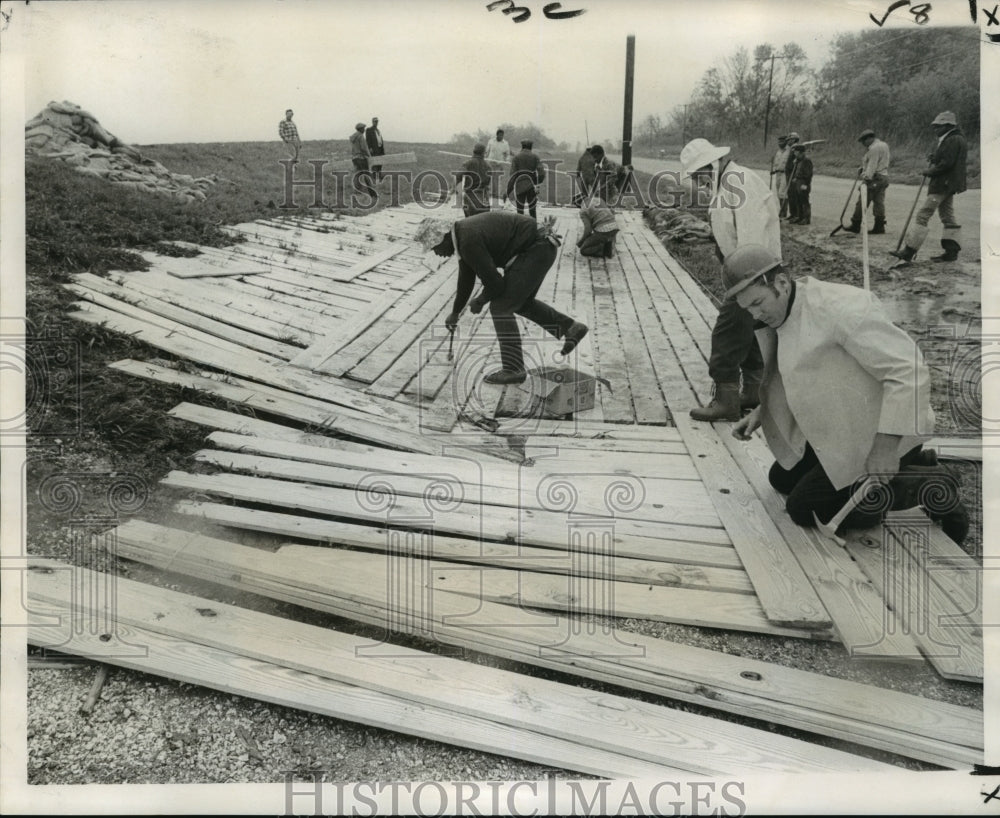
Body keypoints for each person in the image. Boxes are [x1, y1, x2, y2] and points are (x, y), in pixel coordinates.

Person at [728, 244, 968, 542]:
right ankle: (920, 463)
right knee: (782, 477)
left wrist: (885, 446)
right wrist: (762, 412)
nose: (756, 314)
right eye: (748, 308)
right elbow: (802, 375)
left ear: (780, 282)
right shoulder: (784, 311)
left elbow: (909, 370)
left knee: (804, 508)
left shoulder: (840, 309)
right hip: (844, 427)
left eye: (758, 302)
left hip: (881, 436)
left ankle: (932, 484)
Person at [416, 213, 588, 385]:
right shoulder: (463, 235)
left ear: (443, 238)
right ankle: (570, 328)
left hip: (535, 250)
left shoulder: (467, 240)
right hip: (541, 248)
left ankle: (514, 369)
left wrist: (480, 301)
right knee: (520, 303)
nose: (437, 253)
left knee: (501, 308)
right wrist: (455, 312)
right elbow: (466, 276)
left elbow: (495, 283)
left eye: (434, 247)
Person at [680, 137, 780, 423]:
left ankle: (725, 401)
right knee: (747, 335)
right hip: (745, 271)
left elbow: (751, 240)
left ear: (713, 163)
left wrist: (744, 285)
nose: (699, 182)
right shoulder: (725, 183)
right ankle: (752, 392)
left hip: (753, 273)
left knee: (726, 335)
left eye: (700, 174)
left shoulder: (740, 183)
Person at [890, 111, 968, 265]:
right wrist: (935, 158)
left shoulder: (952, 140)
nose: (935, 130)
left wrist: (930, 171)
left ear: (947, 126)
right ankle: (951, 252)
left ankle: (909, 250)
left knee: (923, 214)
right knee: (947, 215)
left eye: (938, 126)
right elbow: (946, 159)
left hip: (943, 183)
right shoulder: (955, 138)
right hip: (950, 184)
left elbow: (947, 164)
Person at [847, 129, 890, 235]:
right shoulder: (884, 145)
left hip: (874, 178)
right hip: (883, 177)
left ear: (869, 138)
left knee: (862, 201)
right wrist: (863, 168)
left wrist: (865, 178)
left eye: (863, 141)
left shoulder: (874, 149)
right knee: (879, 203)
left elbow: (872, 167)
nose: (863, 144)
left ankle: (855, 225)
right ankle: (879, 226)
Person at [506, 139, 546, 220]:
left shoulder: (516, 157)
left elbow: (513, 176)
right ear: (531, 147)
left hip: (519, 186)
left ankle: (520, 229)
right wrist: (536, 182)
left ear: (522, 146)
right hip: (532, 187)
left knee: (520, 211)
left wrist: (508, 190)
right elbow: (542, 173)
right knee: (532, 211)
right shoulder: (535, 157)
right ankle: (533, 228)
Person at [457, 143, 492, 218]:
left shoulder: (468, 163)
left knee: (470, 223)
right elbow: (488, 181)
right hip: (483, 197)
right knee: (483, 224)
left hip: (470, 196)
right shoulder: (488, 166)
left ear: (474, 151)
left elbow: (458, 175)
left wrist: (458, 191)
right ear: (483, 153)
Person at [786, 143, 813, 225]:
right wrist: (795, 178)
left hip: (804, 183)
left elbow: (808, 174)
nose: (795, 154)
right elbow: (796, 172)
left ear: (801, 152)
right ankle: (800, 217)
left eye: (796, 152)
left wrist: (805, 184)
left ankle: (806, 218)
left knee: (804, 200)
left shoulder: (806, 161)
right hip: (798, 182)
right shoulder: (798, 161)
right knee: (798, 200)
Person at [349, 121, 377, 202]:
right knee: (367, 175)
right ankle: (373, 194)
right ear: (360, 129)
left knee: (357, 175)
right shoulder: (361, 136)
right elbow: (364, 148)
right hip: (361, 158)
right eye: (363, 129)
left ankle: (356, 192)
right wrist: (369, 156)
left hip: (355, 158)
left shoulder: (353, 137)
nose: (364, 130)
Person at [485, 128, 511, 198]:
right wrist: (485, 158)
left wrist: (507, 161)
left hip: (499, 164)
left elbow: (507, 154)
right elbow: (487, 151)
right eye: (499, 135)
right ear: (497, 135)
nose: (501, 137)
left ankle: (495, 195)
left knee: (496, 179)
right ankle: (487, 193)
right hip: (490, 162)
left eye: (502, 135)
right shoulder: (491, 141)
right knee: (488, 177)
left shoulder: (505, 143)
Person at [782, 132, 800, 220]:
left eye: (789, 140)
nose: (788, 142)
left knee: (794, 194)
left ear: (793, 140)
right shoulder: (790, 149)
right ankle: (792, 213)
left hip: (793, 174)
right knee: (790, 194)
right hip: (788, 173)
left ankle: (796, 214)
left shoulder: (796, 148)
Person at [770, 135, 790, 218]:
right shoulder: (778, 152)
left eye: (782, 141)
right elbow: (776, 163)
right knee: (778, 193)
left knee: (782, 192)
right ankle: (781, 210)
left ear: (786, 142)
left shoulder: (789, 151)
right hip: (777, 173)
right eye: (779, 142)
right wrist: (773, 170)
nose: (780, 143)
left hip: (785, 173)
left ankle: (783, 211)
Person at [365, 116, 385, 181]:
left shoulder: (378, 130)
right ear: (372, 122)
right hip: (374, 150)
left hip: (380, 149)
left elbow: (380, 140)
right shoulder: (369, 130)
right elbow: (368, 140)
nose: (376, 123)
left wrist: (382, 149)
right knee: (374, 163)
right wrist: (370, 148)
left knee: (380, 163)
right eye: (375, 121)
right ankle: (374, 177)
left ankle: (379, 177)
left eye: (377, 121)